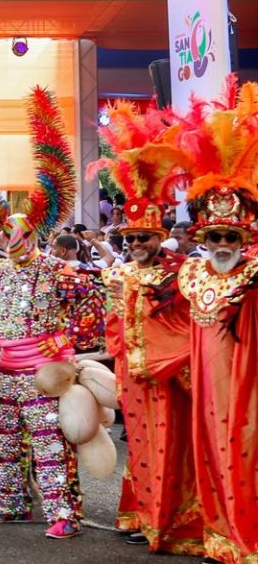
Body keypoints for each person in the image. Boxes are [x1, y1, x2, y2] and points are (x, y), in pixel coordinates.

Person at [0, 88, 91, 539]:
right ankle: (11, 504)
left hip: (44, 374)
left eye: (21, 233)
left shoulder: (57, 270)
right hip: (7, 371)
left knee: (51, 446)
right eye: (7, 234)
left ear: (35, 232)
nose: (14, 240)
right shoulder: (0, 273)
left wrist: (66, 343)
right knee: (6, 443)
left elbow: (92, 297)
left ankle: (64, 515)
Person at [98, 103, 201, 555]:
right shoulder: (118, 276)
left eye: (143, 238)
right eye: (129, 239)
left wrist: (162, 359)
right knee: (138, 450)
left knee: (171, 448)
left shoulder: (182, 273)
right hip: (134, 380)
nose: (135, 245)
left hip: (170, 377)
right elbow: (114, 326)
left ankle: (170, 521)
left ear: (159, 238)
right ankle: (142, 513)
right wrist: (124, 367)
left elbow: (190, 326)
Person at [170, 82, 258, 564]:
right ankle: (219, 533)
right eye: (213, 234)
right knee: (210, 451)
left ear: (243, 234)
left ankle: (245, 535)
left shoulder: (254, 271)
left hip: (247, 391)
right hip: (204, 388)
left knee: (244, 451)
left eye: (230, 234)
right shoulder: (189, 272)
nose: (222, 243)